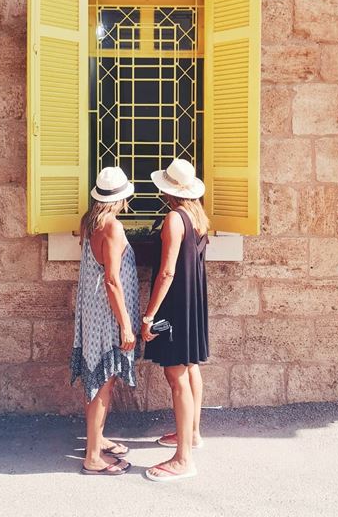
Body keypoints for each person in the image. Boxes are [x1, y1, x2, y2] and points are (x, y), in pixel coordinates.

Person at [142, 158, 209, 482]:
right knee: (190, 367)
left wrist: (149, 315)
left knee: (175, 376)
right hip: (192, 305)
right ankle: (192, 435)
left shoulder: (173, 219)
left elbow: (167, 272)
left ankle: (183, 459)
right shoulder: (197, 217)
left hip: (174, 308)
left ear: (167, 190)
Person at [70, 166, 140, 475]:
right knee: (103, 384)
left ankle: (96, 440)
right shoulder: (113, 227)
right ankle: (93, 457)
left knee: (98, 380)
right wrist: (125, 324)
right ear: (121, 198)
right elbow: (112, 280)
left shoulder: (89, 223)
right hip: (108, 314)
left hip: (93, 309)